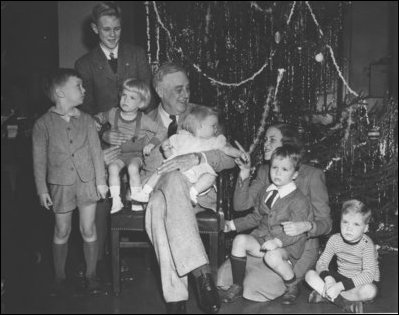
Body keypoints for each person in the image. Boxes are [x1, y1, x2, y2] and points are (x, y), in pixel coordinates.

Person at [141, 62, 235, 314]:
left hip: (199, 192)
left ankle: (176, 298)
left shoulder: (203, 115)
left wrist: (199, 159)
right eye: (178, 89)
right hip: (161, 187)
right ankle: (202, 274)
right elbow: (137, 164)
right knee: (164, 194)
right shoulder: (143, 122)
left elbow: (228, 156)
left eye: (188, 88)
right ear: (160, 91)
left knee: (158, 210)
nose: (186, 95)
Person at [217, 124, 332, 304]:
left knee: (254, 289)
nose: (265, 145)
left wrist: (307, 226)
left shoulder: (312, 175)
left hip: (295, 247)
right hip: (263, 239)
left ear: (287, 145)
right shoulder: (265, 171)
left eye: (272, 140)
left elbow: (327, 223)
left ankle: (291, 281)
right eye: (264, 140)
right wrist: (245, 172)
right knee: (223, 279)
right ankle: (245, 279)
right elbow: (241, 206)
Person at [75, 1, 152, 266]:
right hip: (105, 142)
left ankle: (140, 255)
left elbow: (149, 102)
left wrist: (141, 137)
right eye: (106, 29)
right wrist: (103, 137)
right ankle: (99, 259)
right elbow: (85, 112)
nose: (112, 34)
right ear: (95, 29)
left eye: (117, 29)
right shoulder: (84, 64)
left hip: (137, 140)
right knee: (102, 192)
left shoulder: (137, 54)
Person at [32, 69, 108, 295]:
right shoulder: (42, 124)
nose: (84, 90)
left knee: (88, 228)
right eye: (78, 86)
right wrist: (41, 189)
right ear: (60, 93)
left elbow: (96, 153)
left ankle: (91, 275)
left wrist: (101, 181)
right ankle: (59, 277)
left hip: (87, 183)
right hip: (60, 185)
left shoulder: (86, 120)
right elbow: (39, 161)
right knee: (62, 230)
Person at [133, 105, 243, 206]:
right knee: (161, 169)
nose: (216, 129)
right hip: (174, 174)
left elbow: (227, 150)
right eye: (213, 126)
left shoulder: (213, 141)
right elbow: (170, 155)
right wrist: (166, 149)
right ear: (199, 126)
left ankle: (193, 193)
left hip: (198, 173)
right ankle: (145, 191)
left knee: (210, 176)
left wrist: (240, 154)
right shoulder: (181, 137)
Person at [94, 78, 166, 213]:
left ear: (141, 103)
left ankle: (136, 200)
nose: (125, 100)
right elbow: (100, 116)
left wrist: (151, 144)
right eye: (124, 95)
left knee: (133, 168)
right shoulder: (113, 113)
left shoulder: (143, 119)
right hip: (118, 155)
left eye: (132, 97)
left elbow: (162, 130)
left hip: (135, 156)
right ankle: (116, 200)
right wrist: (96, 121)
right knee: (113, 168)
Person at [305, 199, 379, 313]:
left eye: (356, 224)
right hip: (339, 277)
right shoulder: (335, 239)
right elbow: (322, 263)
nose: (349, 228)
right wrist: (329, 279)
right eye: (345, 222)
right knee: (309, 275)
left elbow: (368, 275)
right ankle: (345, 303)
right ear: (340, 222)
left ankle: (326, 296)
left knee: (370, 291)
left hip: (358, 282)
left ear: (365, 228)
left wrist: (339, 287)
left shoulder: (367, 244)